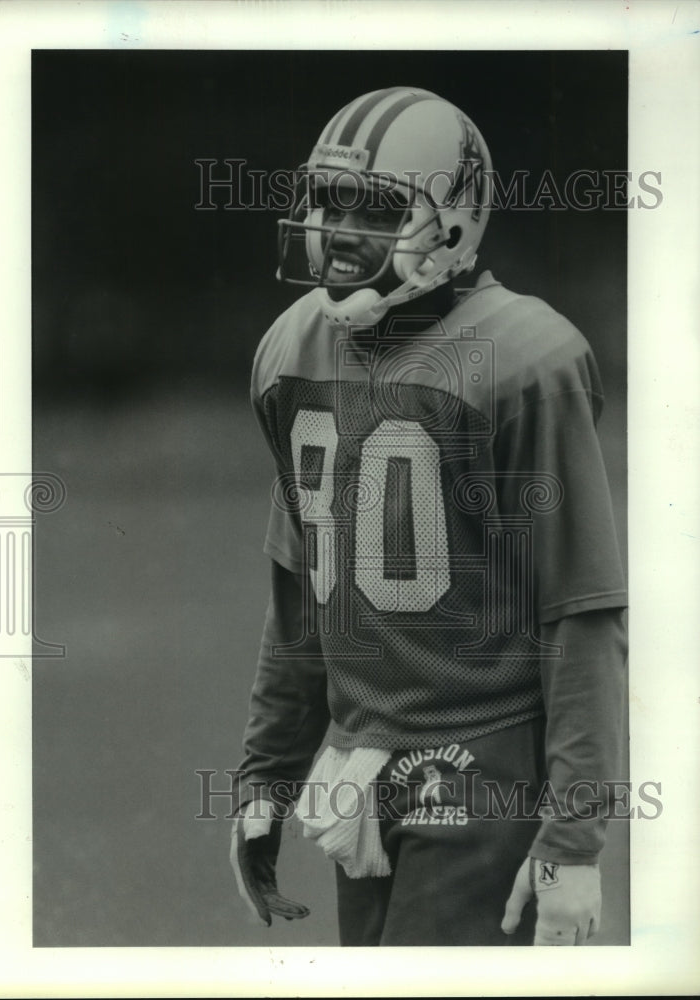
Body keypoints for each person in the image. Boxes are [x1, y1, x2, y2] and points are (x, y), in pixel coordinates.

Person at [229, 86, 627, 947]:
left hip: (483, 765)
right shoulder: (290, 348)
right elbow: (302, 593)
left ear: (452, 224)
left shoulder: (523, 359)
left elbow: (580, 615)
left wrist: (571, 840)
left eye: (374, 207)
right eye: (328, 199)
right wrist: (266, 772)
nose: (337, 231)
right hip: (362, 763)